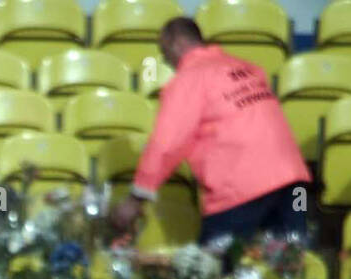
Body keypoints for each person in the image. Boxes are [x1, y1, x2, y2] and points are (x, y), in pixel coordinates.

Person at [110, 17, 311, 247]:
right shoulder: (247, 68)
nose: (168, 63)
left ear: (173, 43)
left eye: (164, 54)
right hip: (296, 187)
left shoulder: (189, 79)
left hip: (242, 188)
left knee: (211, 272)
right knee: (291, 267)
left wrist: (137, 197)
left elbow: (167, 144)